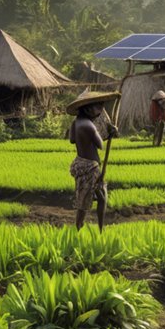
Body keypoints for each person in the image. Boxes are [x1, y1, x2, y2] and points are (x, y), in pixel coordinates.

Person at [66, 90, 120, 231]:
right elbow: (100, 144)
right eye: (98, 108)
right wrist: (110, 131)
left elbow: (72, 140)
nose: (100, 111)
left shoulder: (76, 123)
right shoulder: (89, 126)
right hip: (90, 167)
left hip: (80, 162)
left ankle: (94, 228)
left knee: (97, 195)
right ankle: (82, 226)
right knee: (86, 200)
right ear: (88, 108)